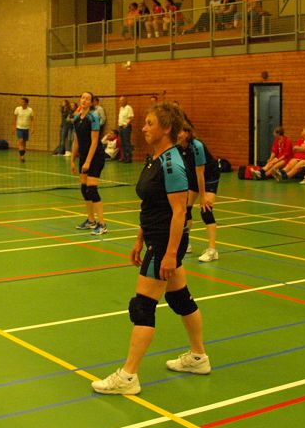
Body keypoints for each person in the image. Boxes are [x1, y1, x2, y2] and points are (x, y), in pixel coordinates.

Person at [91, 102, 209, 395]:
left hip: (166, 243)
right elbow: (152, 206)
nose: (143, 128)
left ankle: (128, 376)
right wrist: (139, 239)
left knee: (142, 307)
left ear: (166, 128)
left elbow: (179, 212)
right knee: (180, 298)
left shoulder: (172, 164)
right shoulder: (154, 159)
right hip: (155, 238)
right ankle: (198, 357)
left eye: (149, 123)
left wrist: (169, 254)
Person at [178, 121, 221, 262]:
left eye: (180, 132)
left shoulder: (197, 146)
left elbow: (200, 173)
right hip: (193, 176)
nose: (177, 135)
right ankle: (185, 244)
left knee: (206, 210)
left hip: (209, 175)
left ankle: (212, 250)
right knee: (185, 209)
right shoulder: (178, 147)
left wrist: (202, 197)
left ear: (187, 133)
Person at [71, 91, 108, 235]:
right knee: (84, 189)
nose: (84, 100)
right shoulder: (76, 118)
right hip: (84, 156)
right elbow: (76, 141)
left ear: (91, 102)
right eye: (82, 98)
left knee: (92, 189)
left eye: (87, 99)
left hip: (96, 157)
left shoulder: (93, 118)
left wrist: (87, 162)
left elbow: (94, 142)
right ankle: (91, 221)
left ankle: (102, 224)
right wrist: (72, 160)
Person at [13, 96, 34, 163]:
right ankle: (22, 156)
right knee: (21, 141)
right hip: (19, 128)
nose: (21, 103)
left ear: (26, 103)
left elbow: (32, 120)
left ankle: (21, 155)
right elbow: (14, 119)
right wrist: (13, 127)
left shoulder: (30, 110)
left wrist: (33, 128)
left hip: (26, 128)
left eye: (22, 102)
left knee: (24, 143)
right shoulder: (17, 109)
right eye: (21, 101)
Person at [117, 95, 134, 163]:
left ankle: (128, 158)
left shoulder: (128, 108)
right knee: (122, 143)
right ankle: (124, 157)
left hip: (126, 127)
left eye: (122, 100)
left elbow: (131, 117)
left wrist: (127, 125)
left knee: (126, 142)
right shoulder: (121, 108)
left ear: (126, 101)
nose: (120, 102)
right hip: (120, 127)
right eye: (120, 100)